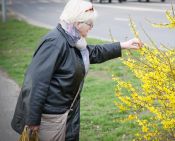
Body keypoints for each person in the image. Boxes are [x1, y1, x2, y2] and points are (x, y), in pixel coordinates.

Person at [11, 0, 142, 140]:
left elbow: (92, 52)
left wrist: (123, 45)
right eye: (90, 24)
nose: (91, 27)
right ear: (77, 23)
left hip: (66, 113)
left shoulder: (72, 40)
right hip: (50, 119)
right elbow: (36, 83)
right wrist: (32, 121)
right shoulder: (55, 42)